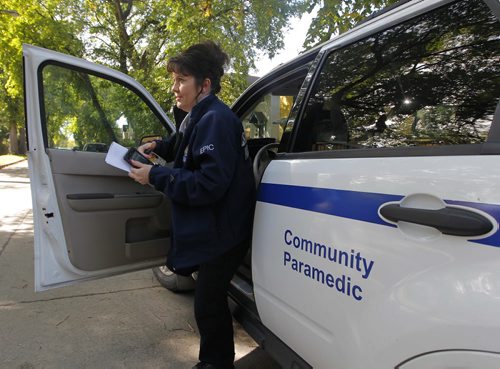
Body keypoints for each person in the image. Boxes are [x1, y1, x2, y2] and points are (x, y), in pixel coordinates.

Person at [128, 41, 255, 369]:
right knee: (207, 301)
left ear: (205, 85)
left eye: (181, 81)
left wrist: (156, 176)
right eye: (174, 80)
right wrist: (160, 146)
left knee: (208, 304)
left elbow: (208, 184)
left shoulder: (216, 119)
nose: (174, 88)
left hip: (224, 232)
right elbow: (186, 147)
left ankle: (215, 363)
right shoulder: (198, 115)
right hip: (215, 226)